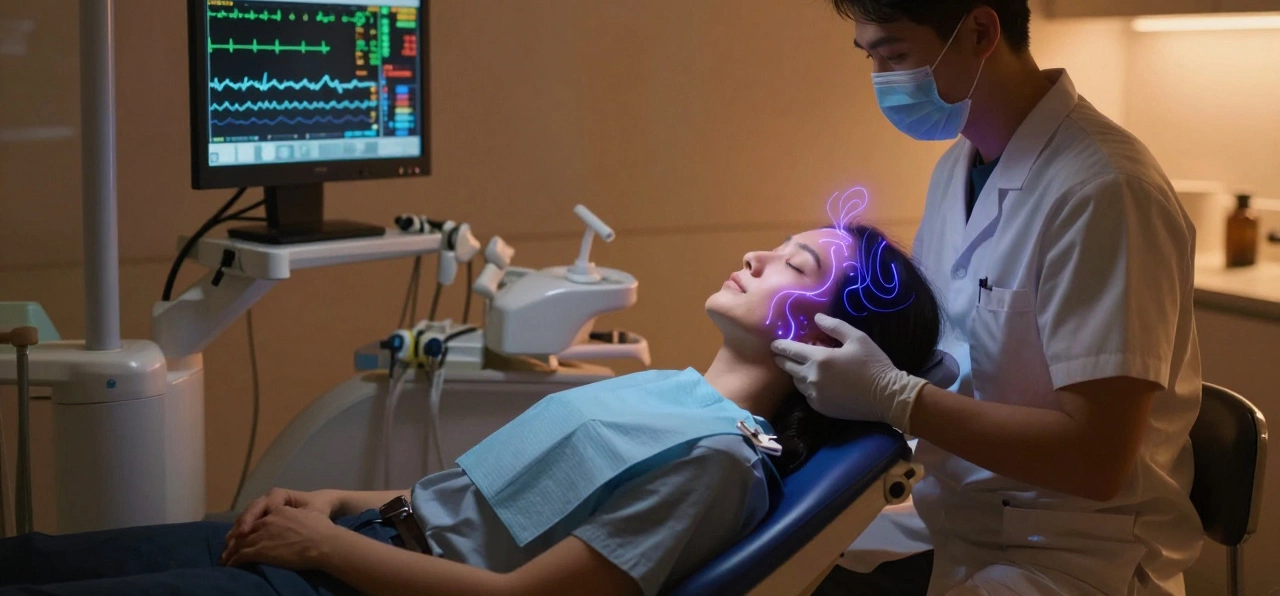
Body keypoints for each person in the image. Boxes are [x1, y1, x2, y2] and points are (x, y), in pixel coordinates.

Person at [0, 221, 941, 596]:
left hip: (353, 584)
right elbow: (486, 504)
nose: (756, 257)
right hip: (359, 541)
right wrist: (335, 502)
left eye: (794, 267)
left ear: (824, 337)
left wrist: (328, 550)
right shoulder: (665, 392)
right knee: (33, 562)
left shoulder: (715, 465)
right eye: (777, 245)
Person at [772, 0, 1203, 596]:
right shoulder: (961, 166)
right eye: (871, 57)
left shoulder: (1105, 191)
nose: (881, 78)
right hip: (964, 513)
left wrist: (892, 396)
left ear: (979, 31)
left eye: (896, 55)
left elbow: (1096, 460)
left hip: (1070, 549)